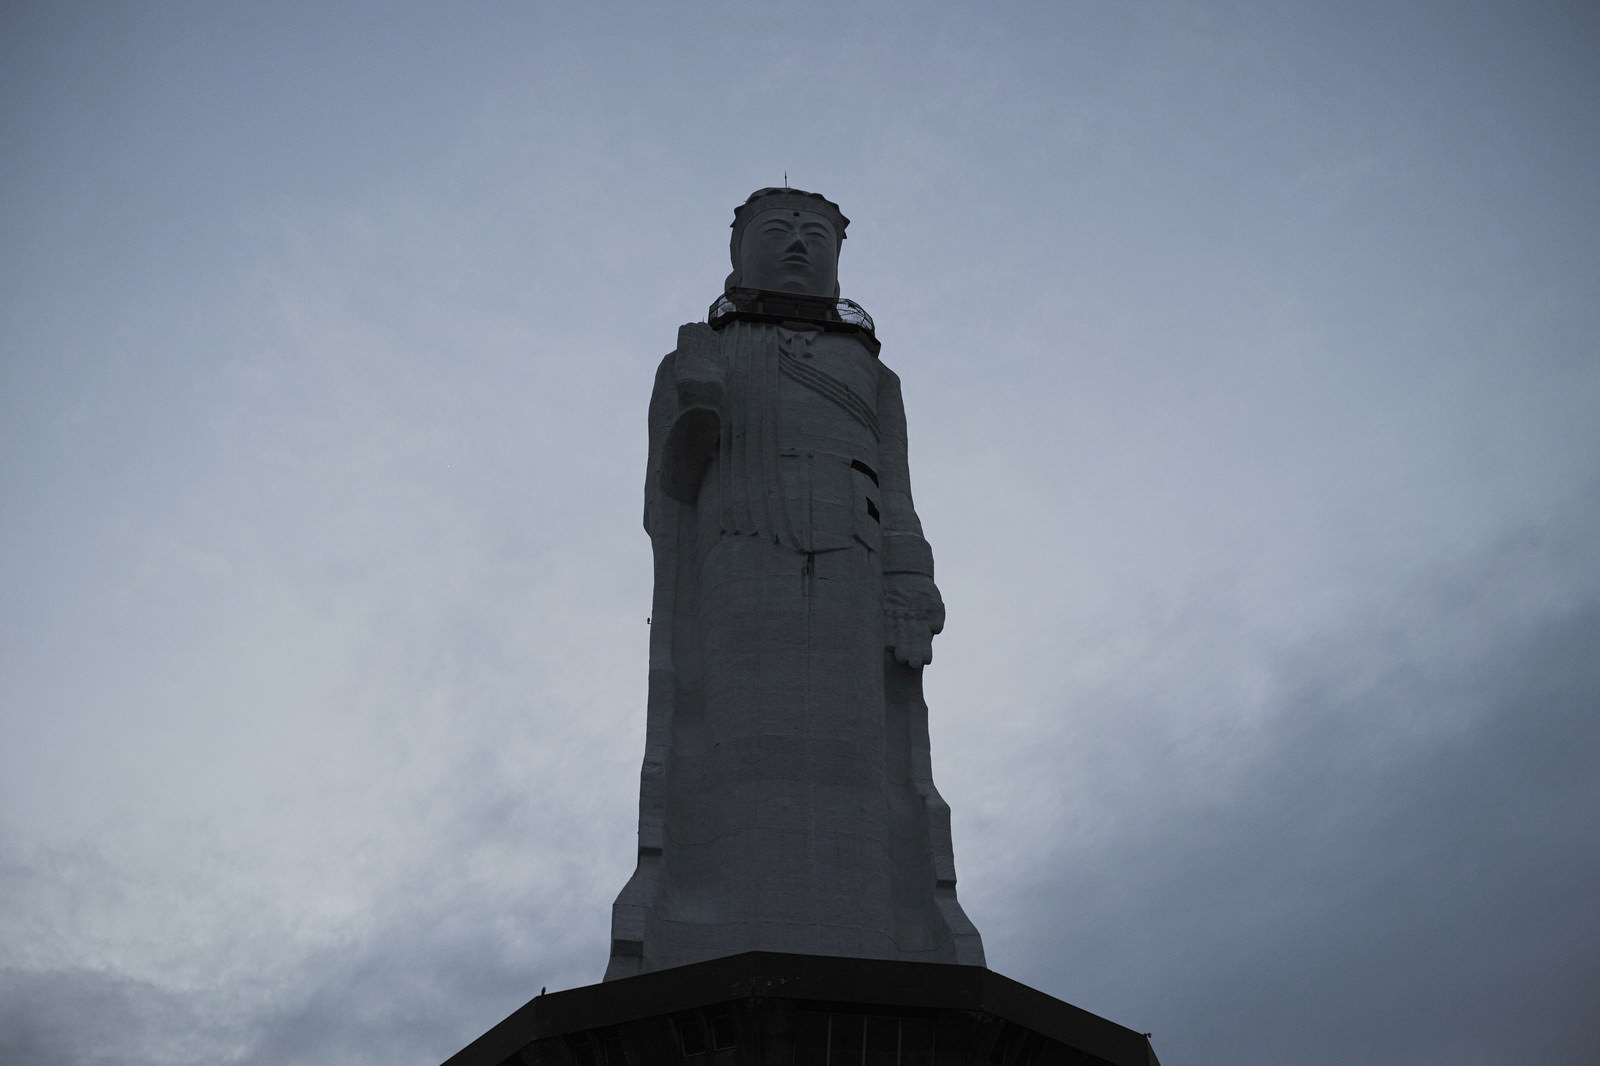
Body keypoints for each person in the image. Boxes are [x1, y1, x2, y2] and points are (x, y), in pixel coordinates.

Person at [605, 188, 984, 979]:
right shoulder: (694, 352)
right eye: (777, 231)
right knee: (729, 727)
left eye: (818, 235)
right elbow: (673, 484)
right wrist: (694, 412)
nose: (800, 246)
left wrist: (912, 574)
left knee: (858, 733)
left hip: (851, 543)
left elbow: (903, 488)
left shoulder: (871, 373)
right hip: (739, 544)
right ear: (738, 250)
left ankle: (876, 936)